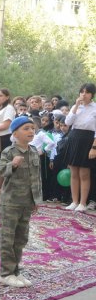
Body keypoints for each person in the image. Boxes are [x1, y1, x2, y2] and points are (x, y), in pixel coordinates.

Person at [0, 116, 42, 287]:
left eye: (32, 128)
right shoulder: (9, 152)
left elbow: (36, 178)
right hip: (11, 202)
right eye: (26, 128)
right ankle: (5, 273)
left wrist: (36, 200)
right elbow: (1, 171)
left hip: (26, 203)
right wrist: (12, 165)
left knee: (21, 238)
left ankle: (15, 271)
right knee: (8, 238)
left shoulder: (33, 151)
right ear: (15, 133)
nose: (31, 131)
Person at [64, 83, 96, 212]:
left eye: (87, 92)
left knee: (84, 173)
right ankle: (74, 201)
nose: (84, 94)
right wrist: (76, 106)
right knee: (74, 172)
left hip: (88, 140)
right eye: (82, 91)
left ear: (92, 94)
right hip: (74, 138)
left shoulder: (95, 108)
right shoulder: (75, 107)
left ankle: (83, 203)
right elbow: (67, 123)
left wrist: (94, 147)